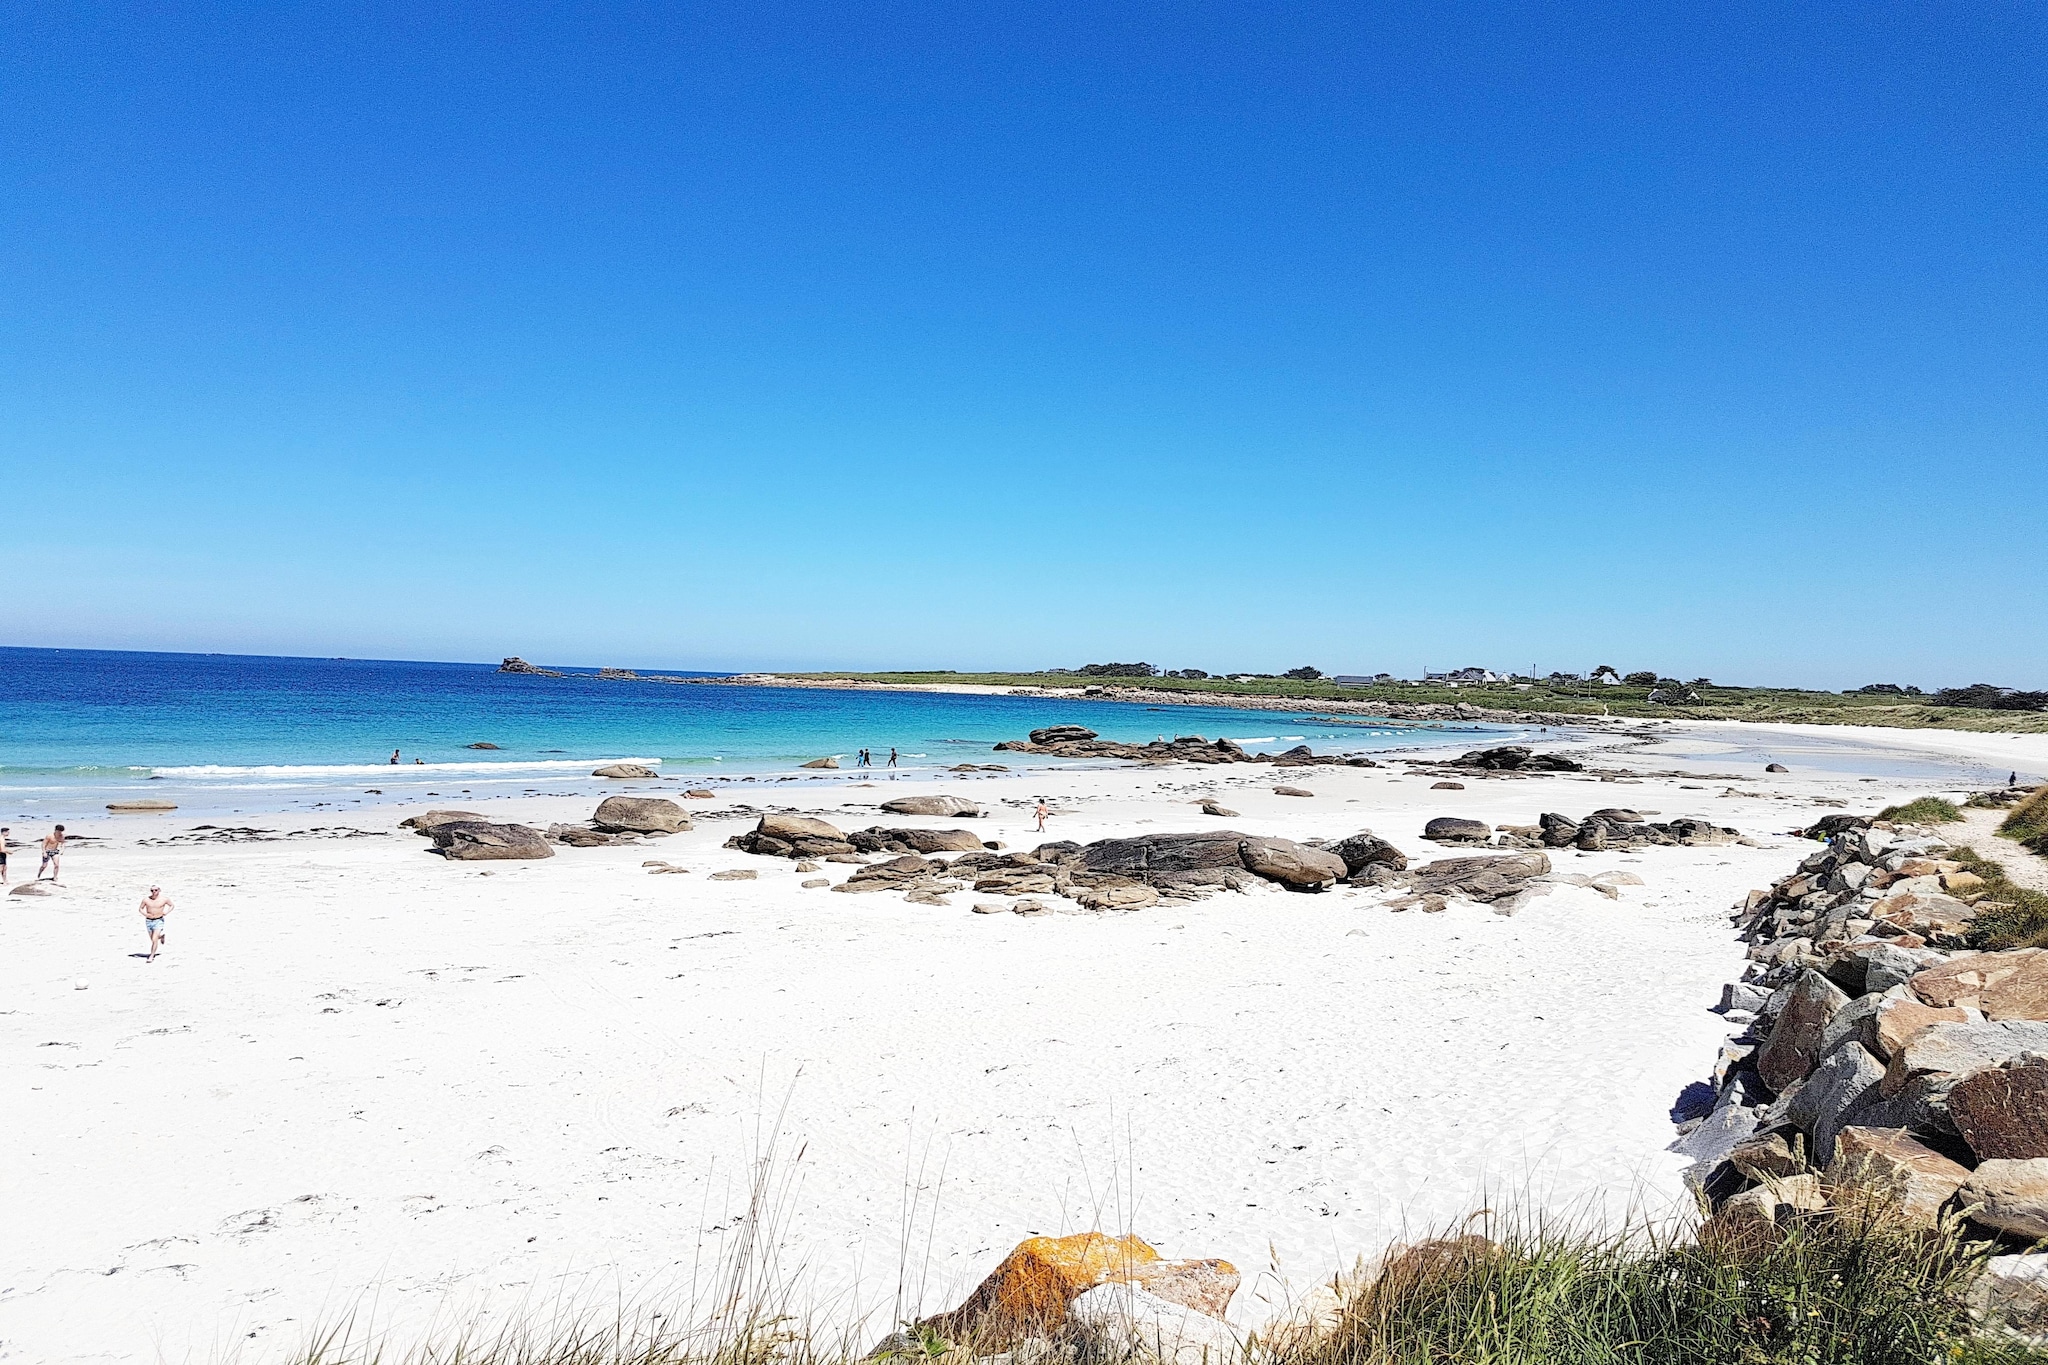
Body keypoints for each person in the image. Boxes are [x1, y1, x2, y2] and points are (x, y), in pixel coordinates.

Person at [139, 885, 173, 962]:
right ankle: (161, 937)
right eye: (152, 890)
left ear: (159, 890)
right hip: (149, 920)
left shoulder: (164, 899)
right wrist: (145, 914)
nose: (154, 892)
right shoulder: (146, 900)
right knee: (153, 939)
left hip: (159, 920)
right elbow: (140, 908)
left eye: (156, 890)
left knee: (154, 939)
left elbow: (171, 905)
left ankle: (151, 955)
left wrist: (167, 912)